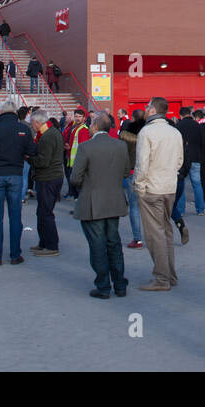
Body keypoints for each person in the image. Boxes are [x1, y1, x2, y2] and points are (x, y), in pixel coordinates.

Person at [71, 112, 131, 297]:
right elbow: (126, 172)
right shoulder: (121, 145)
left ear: (95, 126)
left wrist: (89, 185)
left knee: (98, 244)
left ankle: (103, 285)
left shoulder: (86, 147)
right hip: (114, 200)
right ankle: (120, 284)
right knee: (114, 242)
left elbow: (75, 178)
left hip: (92, 202)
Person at [134, 97, 184, 291]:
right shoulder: (175, 132)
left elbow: (142, 163)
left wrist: (138, 186)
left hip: (151, 188)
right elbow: (179, 161)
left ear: (153, 110)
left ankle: (162, 279)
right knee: (166, 231)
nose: (145, 110)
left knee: (154, 235)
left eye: (147, 107)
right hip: (169, 187)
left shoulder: (146, 132)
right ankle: (170, 275)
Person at [0, 100, 37, 264]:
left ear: (1, 112)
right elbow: (32, 151)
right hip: (16, 174)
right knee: (15, 215)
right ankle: (15, 254)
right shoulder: (23, 129)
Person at [29, 108, 63, 255]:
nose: (32, 126)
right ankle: (44, 242)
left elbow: (43, 161)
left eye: (32, 123)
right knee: (42, 212)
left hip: (48, 177)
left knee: (46, 212)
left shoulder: (48, 136)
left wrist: (29, 159)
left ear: (38, 122)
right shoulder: (51, 132)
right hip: (51, 176)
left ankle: (51, 245)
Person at [120, 109, 146, 249]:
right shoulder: (149, 133)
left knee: (134, 206)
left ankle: (138, 238)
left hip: (132, 171)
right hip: (148, 173)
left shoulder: (126, 135)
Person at [175, 106, 205, 217]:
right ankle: (200, 209)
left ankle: (181, 210)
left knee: (181, 183)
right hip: (196, 157)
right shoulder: (197, 125)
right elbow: (203, 142)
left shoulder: (178, 126)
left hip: (182, 158)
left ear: (181, 115)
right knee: (197, 184)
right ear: (190, 114)